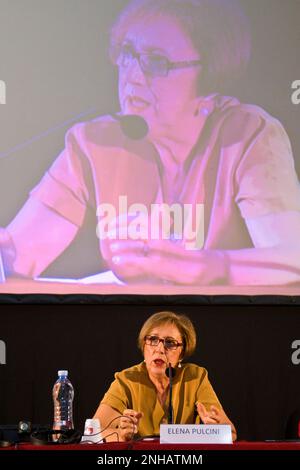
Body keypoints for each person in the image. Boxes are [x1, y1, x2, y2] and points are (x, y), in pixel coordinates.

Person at [1, 0, 300, 286]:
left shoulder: (248, 135)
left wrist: (198, 267)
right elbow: (16, 258)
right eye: (128, 53)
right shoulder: (94, 144)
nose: (132, 76)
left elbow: (293, 260)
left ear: (210, 82)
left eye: (156, 62)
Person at [93, 310, 237, 442]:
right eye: (153, 340)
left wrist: (214, 430)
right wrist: (121, 435)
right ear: (144, 346)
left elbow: (231, 433)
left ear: (182, 352)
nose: (160, 349)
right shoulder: (126, 380)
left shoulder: (195, 377)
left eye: (170, 343)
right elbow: (92, 432)